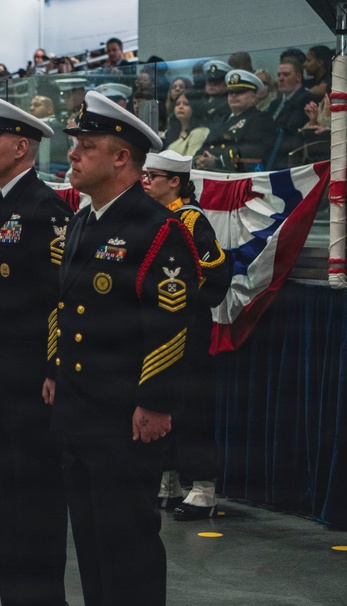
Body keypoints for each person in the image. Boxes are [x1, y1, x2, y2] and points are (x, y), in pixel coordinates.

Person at [51, 90, 199, 606]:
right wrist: (55, 367)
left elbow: (175, 321)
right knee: (90, 533)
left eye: (87, 149)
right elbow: (67, 305)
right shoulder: (86, 218)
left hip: (126, 409)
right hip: (81, 403)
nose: (74, 158)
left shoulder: (155, 228)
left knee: (130, 537)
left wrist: (156, 400)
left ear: (122, 159)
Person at [0, 94, 73, 606]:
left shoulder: (44, 208)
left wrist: (54, 365)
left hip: (31, 377)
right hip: (0, 375)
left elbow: (60, 298)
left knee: (36, 495)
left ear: (21, 146)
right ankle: (19, 601)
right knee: (7, 494)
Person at [141, 150, 232, 519]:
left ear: (175, 181)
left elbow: (215, 275)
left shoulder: (191, 221)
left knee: (191, 405)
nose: (145, 182)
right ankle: (170, 476)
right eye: (144, 175)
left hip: (188, 326)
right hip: (159, 325)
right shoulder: (156, 218)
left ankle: (203, 487)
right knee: (162, 399)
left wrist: (188, 303)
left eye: (153, 176)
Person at [194, 70, 277, 171]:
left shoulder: (260, 119)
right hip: (212, 175)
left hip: (238, 176)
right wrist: (198, 160)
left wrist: (218, 161)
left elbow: (252, 151)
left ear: (254, 97)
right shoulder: (221, 120)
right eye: (231, 92)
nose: (233, 95)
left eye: (240, 91)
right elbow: (205, 147)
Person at [267, 59, 311, 168]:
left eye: (286, 74)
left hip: (287, 159)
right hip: (270, 154)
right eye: (279, 75)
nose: (281, 79)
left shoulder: (305, 98)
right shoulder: (275, 103)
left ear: (298, 77)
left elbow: (291, 128)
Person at [201, 60, 233, 129]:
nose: (212, 84)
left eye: (217, 80)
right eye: (209, 79)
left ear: (226, 83)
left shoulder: (230, 103)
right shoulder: (198, 100)